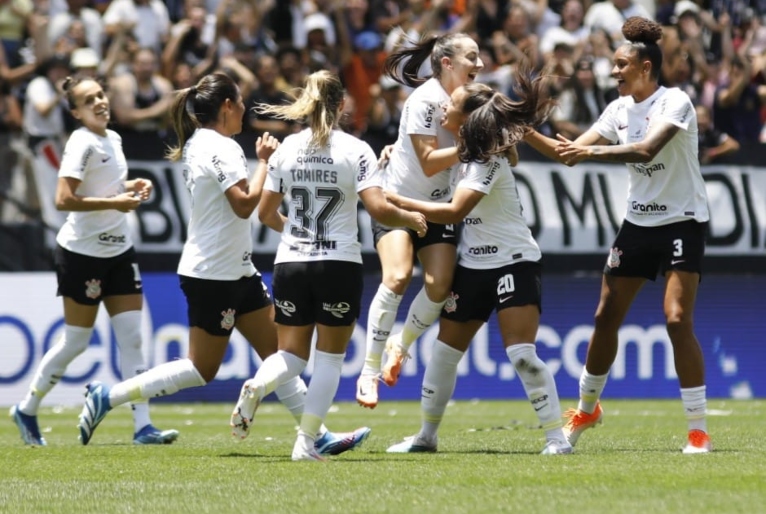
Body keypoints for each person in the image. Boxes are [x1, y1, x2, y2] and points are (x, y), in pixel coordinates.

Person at [76, 72, 371, 456]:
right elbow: (245, 203)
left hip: (237, 268)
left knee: (280, 355)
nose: (246, 109)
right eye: (242, 103)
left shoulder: (206, 143)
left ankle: (315, 434)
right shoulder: (220, 147)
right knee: (202, 369)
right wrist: (264, 161)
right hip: (212, 272)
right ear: (228, 106)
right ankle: (108, 396)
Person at [523, 17, 712, 454]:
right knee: (605, 316)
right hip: (638, 225)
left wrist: (590, 149)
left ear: (645, 67)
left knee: (677, 319)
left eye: (621, 64)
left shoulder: (676, 101)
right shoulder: (617, 109)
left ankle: (698, 430)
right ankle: (587, 408)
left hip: (683, 221)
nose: (613, 72)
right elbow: (570, 155)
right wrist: (522, 130)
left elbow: (646, 150)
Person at [229, 70, 427, 461]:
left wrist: (296, 233)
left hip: (291, 263)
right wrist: (410, 220)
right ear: (341, 105)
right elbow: (377, 208)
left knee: (290, 356)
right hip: (337, 263)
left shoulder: (286, 149)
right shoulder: (356, 149)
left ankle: (257, 385)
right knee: (330, 360)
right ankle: (305, 444)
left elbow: (266, 214)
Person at [383, 76, 573, 455]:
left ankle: (556, 437)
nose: (443, 108)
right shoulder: (464, 153)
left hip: (513, 264)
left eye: (451, 104)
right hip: (472, 268)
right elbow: (427, 162)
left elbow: (455, 211)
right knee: (442, 354)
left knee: (521, 355)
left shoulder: (489, 159)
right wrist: (394, 150)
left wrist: (398, 201)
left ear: (469, 117)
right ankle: (426, 436)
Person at [10, 75, 178, 446]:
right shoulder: (80, 142)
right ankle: (28, 407)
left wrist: (131, 187)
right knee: (76, 342)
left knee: (133, 337)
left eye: (101, 95)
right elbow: (63, 198)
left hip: (119, 249)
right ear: (75, 112)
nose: (100, 102)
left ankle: (143, 427)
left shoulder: (112, 138)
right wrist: (116, 202)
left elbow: (105, 186)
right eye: (89, 100)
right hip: (82, 253)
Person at [356, 31, 484, 410]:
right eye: (472, 57)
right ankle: (368, 371)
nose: (480, 64)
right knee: (396, 277)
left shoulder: (472, 100)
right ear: (447, 63)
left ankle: (401, 344)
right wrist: (469, 146)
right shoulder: (426, 100)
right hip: (396, 201)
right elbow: (428, 162)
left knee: (440, 285)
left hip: (436, 206)